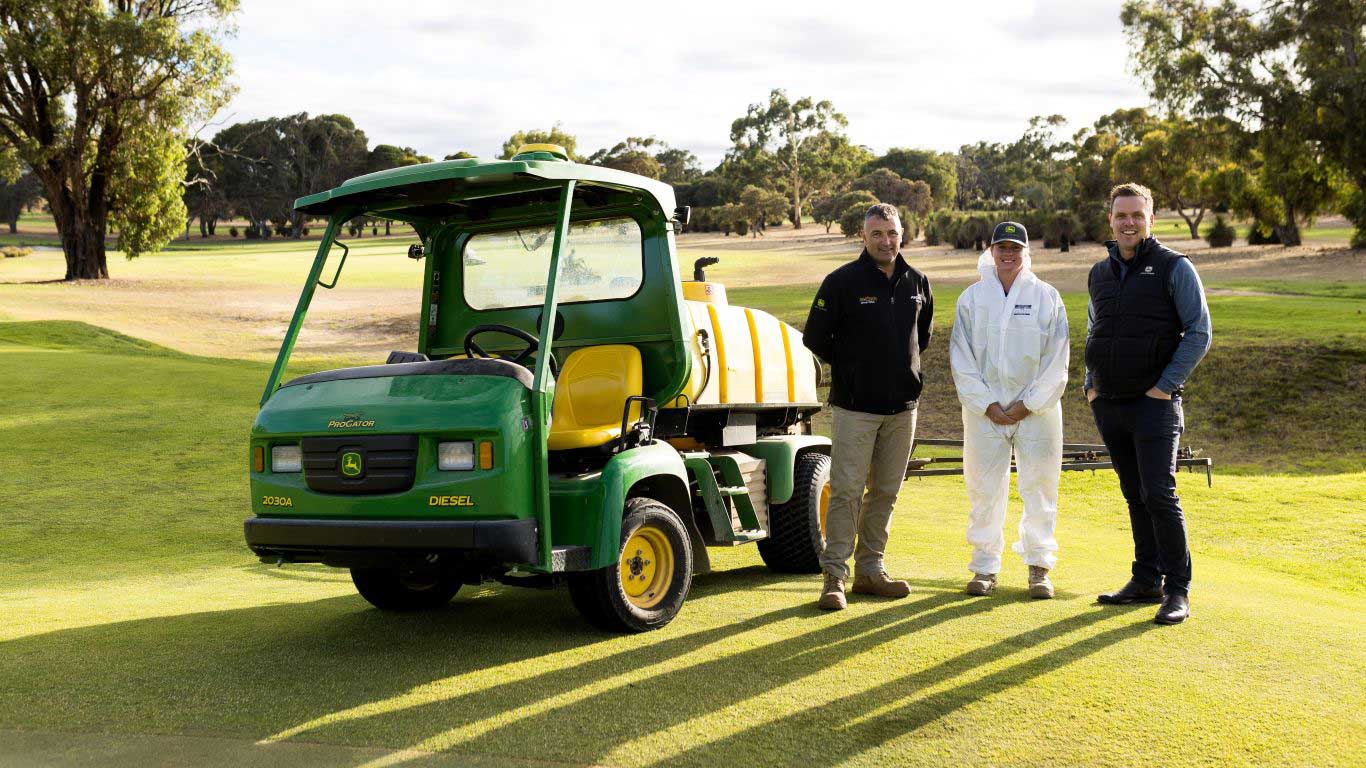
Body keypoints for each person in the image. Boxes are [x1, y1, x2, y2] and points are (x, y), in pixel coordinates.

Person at [1087, 182, 1212, 625]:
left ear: (1150, 219)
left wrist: (1164, 387)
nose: (1128, 222)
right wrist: (1091, 386)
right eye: (1121, 215)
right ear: (1110, 219)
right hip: (1111, 402)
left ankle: (1177, 590)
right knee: (1134, 494)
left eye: (1137, 215)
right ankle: (1145, 580)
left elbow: (1199, 333)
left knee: (1160, 494)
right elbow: (1094, 330)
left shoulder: (1174, 266)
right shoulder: (1099, 273)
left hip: (1155, 405)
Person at [803, 203, 933, 611]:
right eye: (877, 233)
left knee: (886, 492)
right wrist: (855, 366)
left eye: (892, 232)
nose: (886, 240)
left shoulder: (918, 281)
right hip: (856, 409)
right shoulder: (841, 282)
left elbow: (921, 337)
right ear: (863, 237)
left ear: (902, 234)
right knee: (845, 493)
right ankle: (834, 578)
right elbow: (816, 338)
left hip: (903, 408)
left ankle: (871, 571)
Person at [950, 222, 1069, 599]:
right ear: (990, 250)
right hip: (984, 411)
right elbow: (961, 358)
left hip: (1037, 411)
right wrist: (986, 403)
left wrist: (1026, 405)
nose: (1008, 254)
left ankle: (1039, 566)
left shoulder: (1045, 296)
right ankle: (984, 567)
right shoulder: (971, 298)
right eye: (1001, 246)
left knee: (1040, 487)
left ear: (1025, 252)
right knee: (984, 488)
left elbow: (1057, 359)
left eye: (1015, 248)